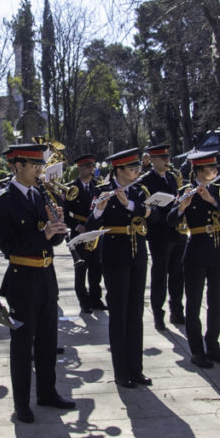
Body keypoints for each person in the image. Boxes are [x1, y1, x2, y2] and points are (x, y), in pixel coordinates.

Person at [0, 143, 76, 423]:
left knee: (49, 340)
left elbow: (53, 240)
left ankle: (47, 392)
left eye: (41, 165)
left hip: (46, 278)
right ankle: (22, 402)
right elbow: (9, 245)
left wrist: (57, 227)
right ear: (18, 166)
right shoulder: (1, 201)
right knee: (22, 345)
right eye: (35, 165)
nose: (40, 170)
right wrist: (45, 234)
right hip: (22, 280)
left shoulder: (40, 194)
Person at [88, 148, 153, 389]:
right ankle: (121, 371)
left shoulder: (138, 190)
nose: (137, 172)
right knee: (119, 313)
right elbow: (91, 223)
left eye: (137, 168)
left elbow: (152, 215)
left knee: (135, 311)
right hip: (115, 253)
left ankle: (136, 368)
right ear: (119, 171)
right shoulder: (101, 191)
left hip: (138, 252)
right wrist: (100, 209)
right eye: (132, 169)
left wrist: (130, 205)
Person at [167, 151, 220, 368]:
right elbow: (170, 220)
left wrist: (213, 200)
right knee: (194, 303)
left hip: (218, 250)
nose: (214, 171)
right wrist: (181, 207)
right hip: (196, 250)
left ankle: (213, 345)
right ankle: (197, 350)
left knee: (216, 301)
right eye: (209, 168)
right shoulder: (185, 192)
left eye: (215, 168)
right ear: (197, 171)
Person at [138, 143, 186, 330]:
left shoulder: (173, 178)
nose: (168, 161)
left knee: (177, 274)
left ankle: (177, 310)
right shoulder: (146, 181)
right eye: (163, 158)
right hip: (159, 233)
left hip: (177, 231)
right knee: (160, 275)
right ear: (153, 160)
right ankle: (158, 313)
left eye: (168, 157)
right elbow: (146, 207)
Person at [63, 153, 104, 316]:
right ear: (79, 167)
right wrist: (76, 225)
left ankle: (96, 298)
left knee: (96, 268)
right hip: (79, 231)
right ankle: (84, 302)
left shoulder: (98, 186)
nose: (91, 169)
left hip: (95, 231)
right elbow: (66, 214)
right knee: (81, 269)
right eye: (87, 166)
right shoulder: (71, 188)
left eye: (92, 166)